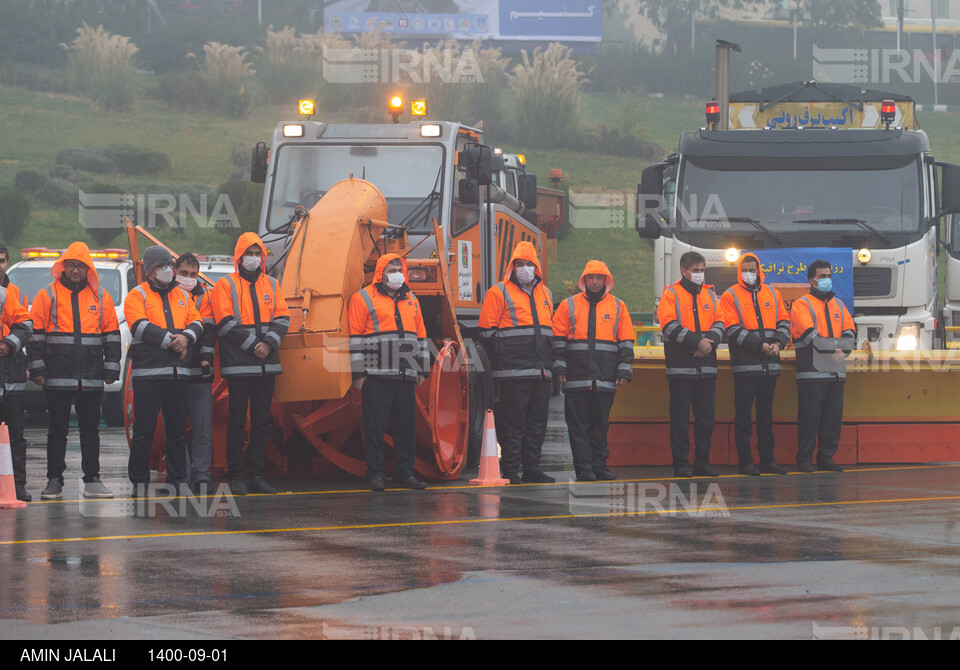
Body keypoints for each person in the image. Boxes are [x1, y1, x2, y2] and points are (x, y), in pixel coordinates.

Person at [30, 242, 121, 500]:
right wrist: (37, 369)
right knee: (57, 429)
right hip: (57, 375)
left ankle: (92, 479)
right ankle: (54, 480)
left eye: (81, 265)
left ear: (88, 268)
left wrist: (111, 369)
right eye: (71, 265)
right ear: (63, 267)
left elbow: (112, 336)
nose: (76, 270)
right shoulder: (47, 294)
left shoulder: (100, 296)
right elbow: (35, 336)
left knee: (90, 429)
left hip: (90, 377)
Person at [211, 233, 289, 495]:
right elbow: (224, 321)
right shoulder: (225, 284)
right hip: (239, 365)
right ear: (239, 256)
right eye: (249, 253)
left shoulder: (273, 284)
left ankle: (257, 474)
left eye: (258, 254)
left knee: (260, 422)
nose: (253, 258)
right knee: (236, 421)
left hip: (266, 364)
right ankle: (236, 476)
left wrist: (268, 343)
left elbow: (282, 318)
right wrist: (254, 345)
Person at [125, 246, 204, 495]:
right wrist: (175, 341)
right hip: (148, 376)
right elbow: (139, 326)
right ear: (150, 270)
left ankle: (178, 479)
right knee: (144, 431)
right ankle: (139, 481)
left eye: (169, 265)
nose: (167, 270)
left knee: (177, 431)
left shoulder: (182, 295)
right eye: (162, 266)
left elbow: (197, 320)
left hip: (178, 375)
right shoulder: (137, 296)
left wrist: (187, 337)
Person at [348, 253, 429, 491]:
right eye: (391, 269)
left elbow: (421, 336)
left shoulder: (412, 299)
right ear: (380, 272)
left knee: (406, 427)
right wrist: (358, 373)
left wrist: (422, 368)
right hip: (376, 375)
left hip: (405, 375)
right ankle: (376, 474)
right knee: (374, 427)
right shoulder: (362, 298)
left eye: (399, 269)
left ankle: (405, 472)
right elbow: (355, 338)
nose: (396, 273)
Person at [478, 241, 555, 485]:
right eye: (520, 264)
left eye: (529, 264)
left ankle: (532, 468)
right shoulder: (498, 292)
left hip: (540, 372)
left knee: (536, 424)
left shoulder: (546, 293)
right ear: (512, 266)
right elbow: (486, 332)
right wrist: (507, 356)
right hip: (511, 372)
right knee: (512, 423)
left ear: (536, 267)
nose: (525, 269)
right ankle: (510, 468)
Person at [553, 261, 634, 482]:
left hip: (605, 379)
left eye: (599, 278)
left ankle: (599, 466)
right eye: (591, 278)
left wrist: (624, 371)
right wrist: (559, 368)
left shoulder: (618, 306)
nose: (595, 282)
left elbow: (626, 342)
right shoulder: (568, 305)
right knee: (578, 426)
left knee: (600, 425)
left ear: (606, 280)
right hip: (576, 378)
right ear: (584, 280)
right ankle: (584, 469)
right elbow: (558, 340)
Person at [720, 253, 791, 476]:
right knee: (743, 417)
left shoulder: (772, 293)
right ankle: (746, 462)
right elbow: (732, 329)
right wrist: (761, 346)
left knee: (766, 417)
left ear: (759, 270)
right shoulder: (730, 295)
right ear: (739, 272)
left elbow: (784, 321)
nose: (749, 273)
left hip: (769, 365)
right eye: (745, 270)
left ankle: (767, 460)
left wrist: (779, 342)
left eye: (753, 269)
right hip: (745, 366)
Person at [657, 251, 724, 477]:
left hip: (707, 368)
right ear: (683, 270)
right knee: (680, 421)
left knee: (706, 419)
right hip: (681, 369)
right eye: (695, 270)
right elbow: (668, 325)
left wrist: (708, 343)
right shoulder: (671, 294)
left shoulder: (710, 294)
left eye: (702, 270)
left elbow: (720, 322)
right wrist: (697, 342)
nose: (699, 274)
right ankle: (681, 464)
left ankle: (702, 463)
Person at [790, 259, 856, 473]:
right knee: (810, 417)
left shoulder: (839, 305)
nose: (827, 280)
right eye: (822, 276)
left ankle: (826, 457)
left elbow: (850, 332)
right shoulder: (801, 304)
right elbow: (810, 335)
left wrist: (843, 351)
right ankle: (805, 458)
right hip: (812, 373)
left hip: (835, 373)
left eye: (829, 275)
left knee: (832, 418)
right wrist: (835, 352)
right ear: (812, 280)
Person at [175, 253, 217, 495]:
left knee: (202, 427)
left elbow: (209, 331)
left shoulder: (204, 297)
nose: (188, 279)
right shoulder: (167, 294)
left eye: (192, 275)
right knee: (176, 427)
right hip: (173, 371)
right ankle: (181, 476)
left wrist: (205, 359)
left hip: (199, 370)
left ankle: (201, 476)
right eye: (184, 274)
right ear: (174, 270)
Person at [0, 244, 33, 502]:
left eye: (1, 260)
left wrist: (8, 344)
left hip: (11, 373)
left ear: (7, 261)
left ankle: (17, 486)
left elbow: (25, 326)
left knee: (16, 436)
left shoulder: (17, 294)